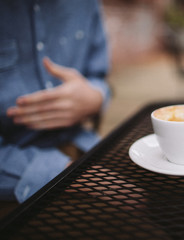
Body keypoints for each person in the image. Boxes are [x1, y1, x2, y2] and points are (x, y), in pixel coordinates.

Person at [0, 0, 111, 203]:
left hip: (85, 146)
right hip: (17, 184)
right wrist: (74, 177)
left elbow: (99, 78)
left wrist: (94, 98)